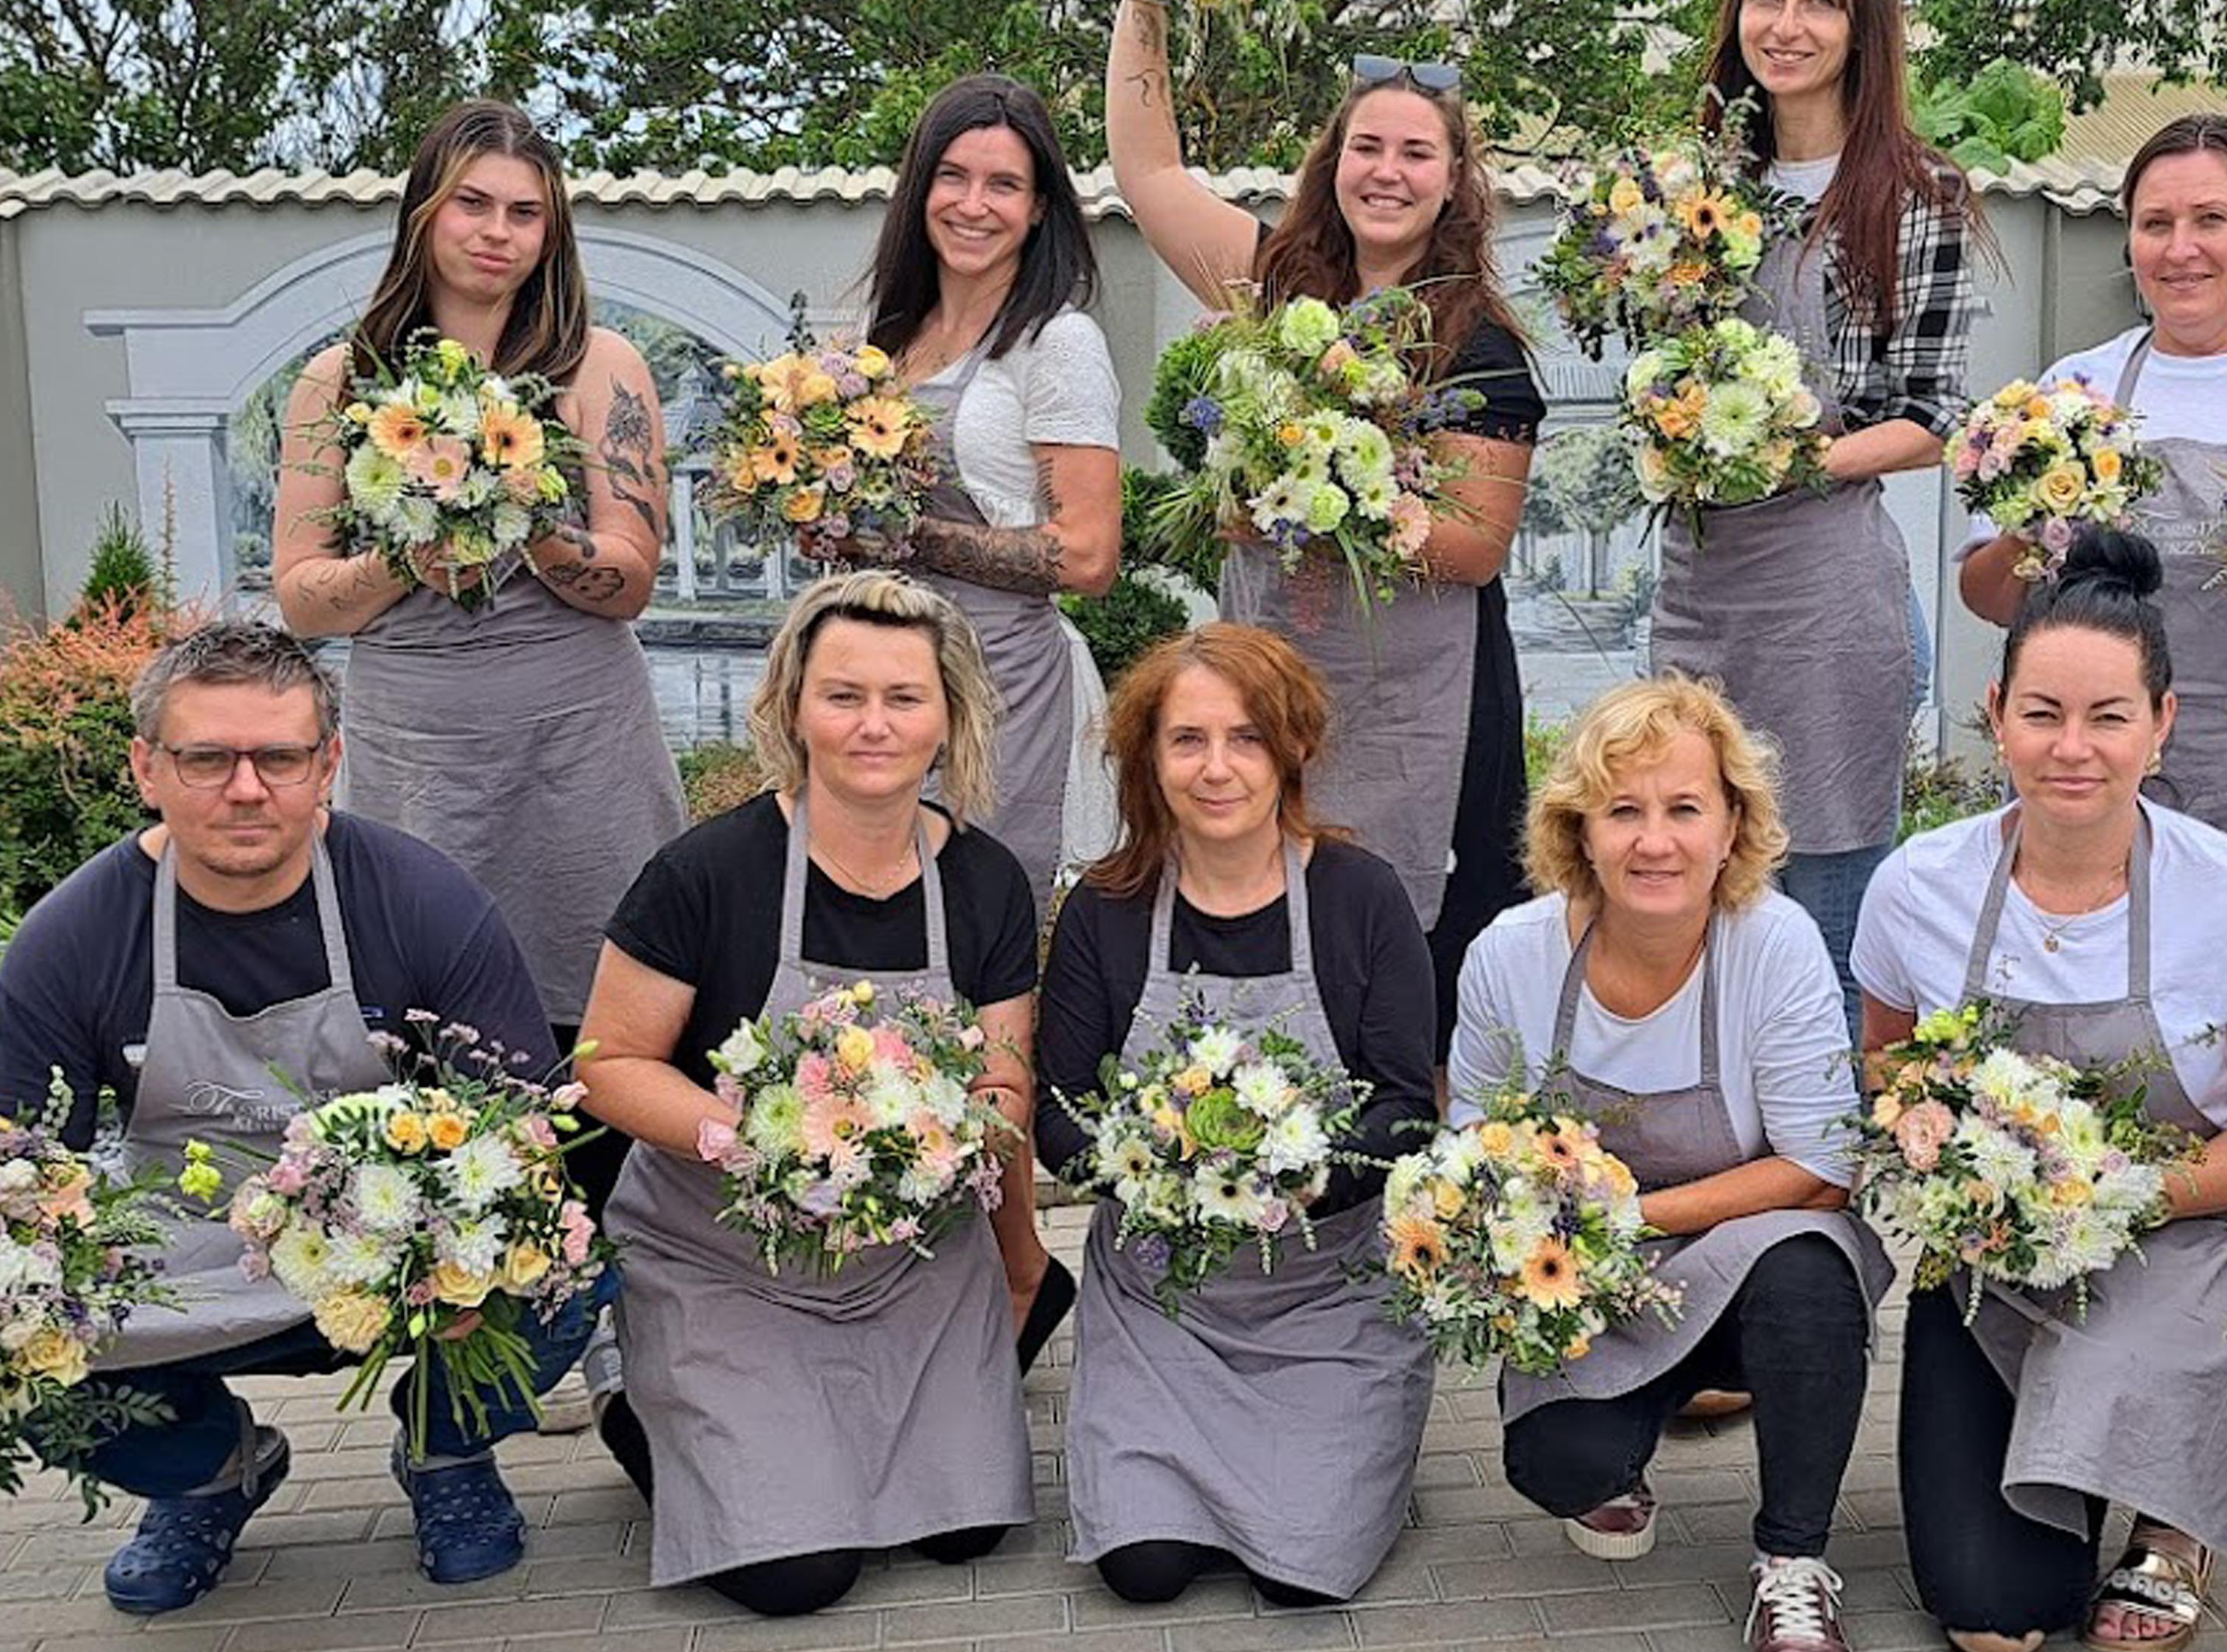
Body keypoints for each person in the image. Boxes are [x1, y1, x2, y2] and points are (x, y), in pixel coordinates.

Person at [0, 622, 589, 1616]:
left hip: (388, 1257)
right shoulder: (75, 936)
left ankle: (445, 1443)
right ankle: (208, 1469)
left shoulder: (420, 899)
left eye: (280, 756)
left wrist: (451, 1241)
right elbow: (1, 1174)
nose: (246, 788)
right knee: (1, 1332)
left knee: (574, 1266)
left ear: (329, 763)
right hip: (182, 1266)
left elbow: (527, 1129)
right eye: (207, 757)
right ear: (147, 767)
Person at [1852, 531, 2227, 1652]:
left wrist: (2118, 1191)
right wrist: (1957, 1166)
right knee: (1993, 1616)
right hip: (1997, 1259)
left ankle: (2177, 1526)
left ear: (2163, 722)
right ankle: (2062, 1483)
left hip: (2187, 1245)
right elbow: (1888, 1061)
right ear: (1995, 711)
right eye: (2043, 713)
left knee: (2147, 1366)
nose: (2072, 748)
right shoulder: (1917, 887)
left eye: (2109, 716)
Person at [576, 572, 1038, 1616]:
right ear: (792, 705)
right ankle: (635, 1389)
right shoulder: (706, 871)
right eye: (843, 694)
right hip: (728, 1257)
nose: (874, 724)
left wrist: (1004, 1232)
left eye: (905, 697)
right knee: (798, 1574)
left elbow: (1005, 1074)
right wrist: (759, 1139)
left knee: (967, 1531)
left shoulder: (987, 881)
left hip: (908, 1261)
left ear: (950, 715)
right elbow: (605, 1064)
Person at [274, 97, 684, 1225]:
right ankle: (467, 1293)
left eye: (526, 213)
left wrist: (524, 518)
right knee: (425, 1020)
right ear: (422, 213)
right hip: (419, 747)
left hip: (579, 740)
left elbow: (631, 573)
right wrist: (418, 545)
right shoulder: (335, 384)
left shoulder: (602, 367)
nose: (498, 232)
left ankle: (608, 1291)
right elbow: (305, 590)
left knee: (602, 1008)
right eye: (473, 204)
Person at [1107, 0, 1544, 1051]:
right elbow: (1148, 171)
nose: (1386, 172)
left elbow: (1477, 543)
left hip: (1424, 701)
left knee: (1412, 975)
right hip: (1266, 671)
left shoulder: (1481, 345)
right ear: (1331, 162)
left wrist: (1313, 494)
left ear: (1453, 183)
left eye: (1416, 153)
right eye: (1366, 147)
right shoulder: (1269, 282)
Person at [1958, 115, 2227, 1092]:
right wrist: (2036, 535)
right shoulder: (2077, 391)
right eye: (2156, 223)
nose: (2181, 247)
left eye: (2211, 218)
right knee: (2107, 1001)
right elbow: (1987, 595)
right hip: (2112, 763)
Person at [1452, 675, 1888, 1652]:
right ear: (1579, 829)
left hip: (1745, 1268)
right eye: (1625, 810)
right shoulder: (1509, 956)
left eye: (1685, 808)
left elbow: (1823, 1161)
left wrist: (1626, 1216)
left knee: (1812, 1272)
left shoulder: (1772, 943)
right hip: (1580, 1283)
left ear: (1733, 824)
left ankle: (1793, 1561)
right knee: (1559, 1466)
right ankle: (1628, 1432)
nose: (1656, 841)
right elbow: (1472, 1147)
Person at [1037, 624, 1438, 1606]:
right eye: (1188, 740)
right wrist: (1151, 1163)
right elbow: (1056, 1115)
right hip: (1158, 1300)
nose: (1218, 768)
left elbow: (1402, 1107)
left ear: (1294, 746)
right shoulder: (1105, 907)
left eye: (1247, 737)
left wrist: (1304, 1173)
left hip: (1332, 1296)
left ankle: (1358, 1457)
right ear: (1148, 756)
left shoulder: (1362, 896)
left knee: (1303, 1576)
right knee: (1142, 1570)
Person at [1652, 0, 1985, 996]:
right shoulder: (1693, 188)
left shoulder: (1916, 195)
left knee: (1831, 904)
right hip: (1702, 586)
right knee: (1684, 869)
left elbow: (1932, 418)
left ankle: (1830, 1152)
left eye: (1820, 3)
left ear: (1864, 30)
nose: (1786, 26)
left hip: (1830, 601)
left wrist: (1786, 460)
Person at [867, 70, 1119, 1356]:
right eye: (953, 176)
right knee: (889, 988)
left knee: (981, 994)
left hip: (999, 704)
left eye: (1004, 183)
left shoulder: (1054, 343)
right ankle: (960, 1259)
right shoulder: (886, 336)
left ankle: (1019, 1272)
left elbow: (1084, 554)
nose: (973, 203)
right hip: (871, 703)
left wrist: (902, 534)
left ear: (1039, 208)